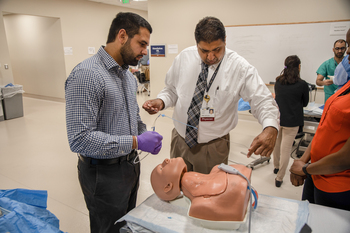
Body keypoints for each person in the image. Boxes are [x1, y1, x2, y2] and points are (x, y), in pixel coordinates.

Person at [65, 12, 163, 232]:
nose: (145, 51)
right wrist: (136, 142)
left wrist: (145, 133)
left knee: (126, 226)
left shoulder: (128, 76)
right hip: (103, 174)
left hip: (130, 167)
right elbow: (80, 140)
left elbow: (133, 116)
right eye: (142, 44)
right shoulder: (87, 75)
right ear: (122, 36)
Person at [143, 16, 279, 174]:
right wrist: (161, 101)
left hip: (213, 147)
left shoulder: (240, 68)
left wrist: (270, 128)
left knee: (208, 195)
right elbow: (172, 90)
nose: (211, 57)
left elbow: (262, 101)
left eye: (217, 50)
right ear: (197, 44)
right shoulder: (184, 58)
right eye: (204, 51)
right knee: (177, 189)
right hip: (180, 140)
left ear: (225, 41)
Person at [289, 29, 350, 211]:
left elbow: (346, 158)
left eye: (347, 47)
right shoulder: (345, 86)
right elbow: (323, 130)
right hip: (315, 174)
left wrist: (305, 168)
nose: (346, 53)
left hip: (336, 183)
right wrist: (303, 162)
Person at [150, 157, 252, 221]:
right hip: (232, 189)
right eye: (162, 168)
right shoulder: (198, 203)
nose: (166, 160)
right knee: (198, 208)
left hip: (234, 182)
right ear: (168, 186)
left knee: (217, 168)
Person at [273, 55, 309, 187]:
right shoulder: (302, 84)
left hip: (278, 119)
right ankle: (279, 178)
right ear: (299, 67)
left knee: (276, 145)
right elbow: (305, 103)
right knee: (286, 150)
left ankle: (276, 167)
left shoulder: (278, 82)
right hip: (292, 121)